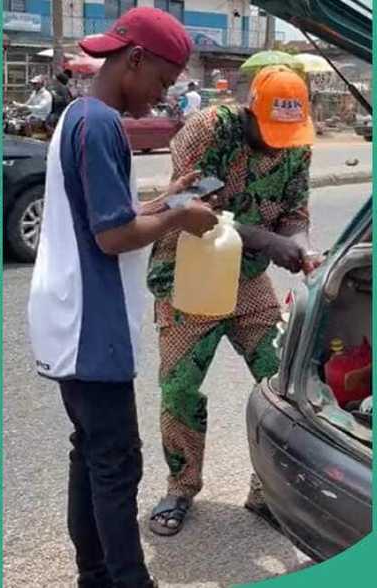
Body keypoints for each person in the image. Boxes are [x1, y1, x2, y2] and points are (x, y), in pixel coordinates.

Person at [26, 8, 217, 588]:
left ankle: (94, 574)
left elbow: (110, 215)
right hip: (90, 322)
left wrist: (166, 199)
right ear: (133, 60)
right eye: (160, 83)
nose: (159, 99)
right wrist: (180, 218)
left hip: (68, 316)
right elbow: (112, 236)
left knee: (90, 453)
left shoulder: (79, 117)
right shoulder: (101, 124)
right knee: (116, 463)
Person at [146, 65, 319, 536]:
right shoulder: (208, 129)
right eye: (271, 130)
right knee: (179, 388)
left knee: (283, 380)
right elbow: (188, 208)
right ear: (248, 112)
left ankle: (267, 488)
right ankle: (181, 487)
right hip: (191, 275)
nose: (281, 143)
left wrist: (299, 247)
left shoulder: (295, 143)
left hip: (247, 283)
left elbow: (295, 213)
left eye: (290, 133)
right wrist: (267, 241)